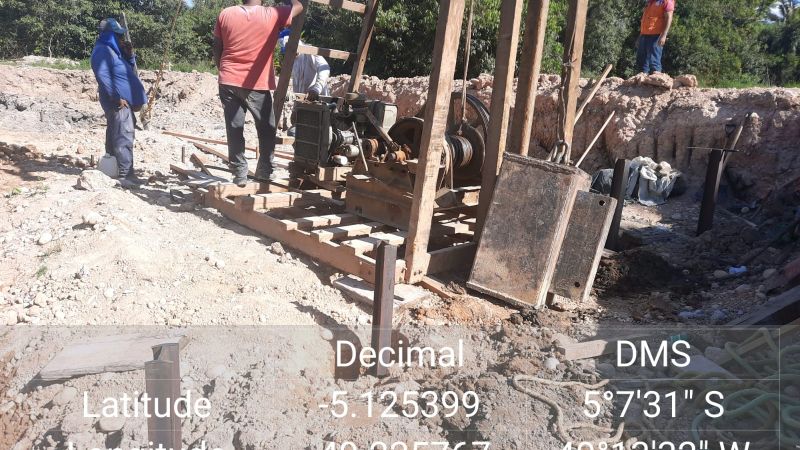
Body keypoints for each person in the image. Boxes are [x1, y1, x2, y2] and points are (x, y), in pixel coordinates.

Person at [212, 0, 304, 186]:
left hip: (228, 79)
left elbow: (217, 48)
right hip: (256, 82)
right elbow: (299, 6)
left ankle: (239, 173)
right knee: (267, 128)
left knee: (234, 128)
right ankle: (265, 170)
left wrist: (224, 69)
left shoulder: (226, 13)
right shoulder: (272, 14)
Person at [90, 18, 148, 189]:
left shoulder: (114, 52)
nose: (121, 38)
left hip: (122, 102)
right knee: (123, 135)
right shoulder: (102, 51)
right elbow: (103, 76)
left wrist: (129, 56)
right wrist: (116, 97)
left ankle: (113, 169)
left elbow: (126, 71)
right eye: (118, 35)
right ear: (110, 35)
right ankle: (125, 175)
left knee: (116, 133)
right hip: (118, 102)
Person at [279, 29, 331, 102]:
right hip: (303, 102)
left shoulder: (310, 53)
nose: (289, 54)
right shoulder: (292, 60)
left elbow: (324, 68)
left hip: (320, 101)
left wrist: (316, 89)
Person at [636, 0, 675, 75]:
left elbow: (669, 17)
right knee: (642, 62)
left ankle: (656, 80)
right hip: (644, 34)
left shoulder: (666, 1)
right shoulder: (650, 2)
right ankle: (642, 80)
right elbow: (646, 20)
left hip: (656, 35)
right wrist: (640, 36)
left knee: (654, 61)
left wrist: (664, 35)